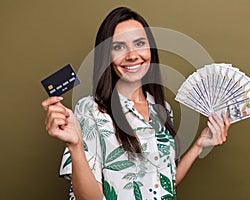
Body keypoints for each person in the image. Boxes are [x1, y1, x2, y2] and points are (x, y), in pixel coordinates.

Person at [41, 7, 230, 200]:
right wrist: (76, 145)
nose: (132, 55)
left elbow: (162, 184)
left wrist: (199, 144)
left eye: (139, 43)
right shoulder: (91, 110)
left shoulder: (162, 108)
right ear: (107, 55)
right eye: (119, 47)